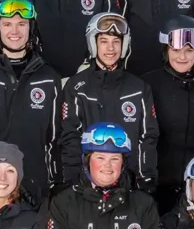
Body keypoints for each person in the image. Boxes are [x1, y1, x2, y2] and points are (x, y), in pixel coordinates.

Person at [0, 0, 62, 207]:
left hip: (34, 188)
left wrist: (55, 182)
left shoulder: (48, 78)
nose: (14, 31)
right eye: (7, 24)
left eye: (22, 24)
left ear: (31, 28)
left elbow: (56, 138)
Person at [59, 13, 158, 189]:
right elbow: (70, 136)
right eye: (104, 41)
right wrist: (73, 180)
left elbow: (148, 137)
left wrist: (145, 179)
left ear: (124, 45)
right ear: (93, 43)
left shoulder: (139, 88)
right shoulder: (76, 87)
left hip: (129, 185)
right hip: (87, 184)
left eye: (116, 42)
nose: (110, 48)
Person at [142, 16, 194, 214]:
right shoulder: (149, 84)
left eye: (189, 50)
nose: (182, 56)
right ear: (166, 51)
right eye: (176, 50)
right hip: (158, 185)